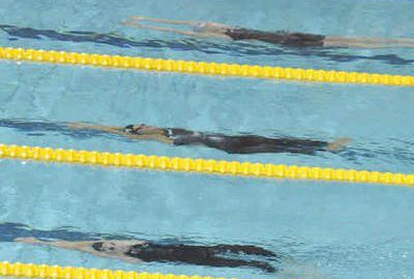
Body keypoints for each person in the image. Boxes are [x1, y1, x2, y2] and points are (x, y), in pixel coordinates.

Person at [123, 16, 414, 49]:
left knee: (349, 43)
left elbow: (185, 26)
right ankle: (402, 43)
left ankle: (402, 43)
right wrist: (146, 23)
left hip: (289, 39)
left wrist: (145, 22)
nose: (206, 25)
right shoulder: (229, 30)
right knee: (348, 42)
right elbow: (189, 26)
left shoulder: (227, 33)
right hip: (289, 37)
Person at [15, 237, 281, 273]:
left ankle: (268, 254)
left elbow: (82, 243)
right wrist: (40, 242)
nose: (109, 246)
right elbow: (80, 248)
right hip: (192, 259)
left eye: (108, 243)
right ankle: (262, 267)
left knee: (241, 249)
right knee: (235, 263)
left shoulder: (134, 244)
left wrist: (42, 239)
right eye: (107, 248)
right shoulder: (131, 258)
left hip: (195, 249)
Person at [69, 122, 349, 156]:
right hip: (230, 148)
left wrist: (91, 124)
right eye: (140, 128)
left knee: (281, 138)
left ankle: (322, 145)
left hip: (233, 137)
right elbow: (124, 135)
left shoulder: (167, 128)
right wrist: (97, 129)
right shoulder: (164, 140)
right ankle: (326, 151)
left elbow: (121, 129)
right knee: (276, 148)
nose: (145, 125)